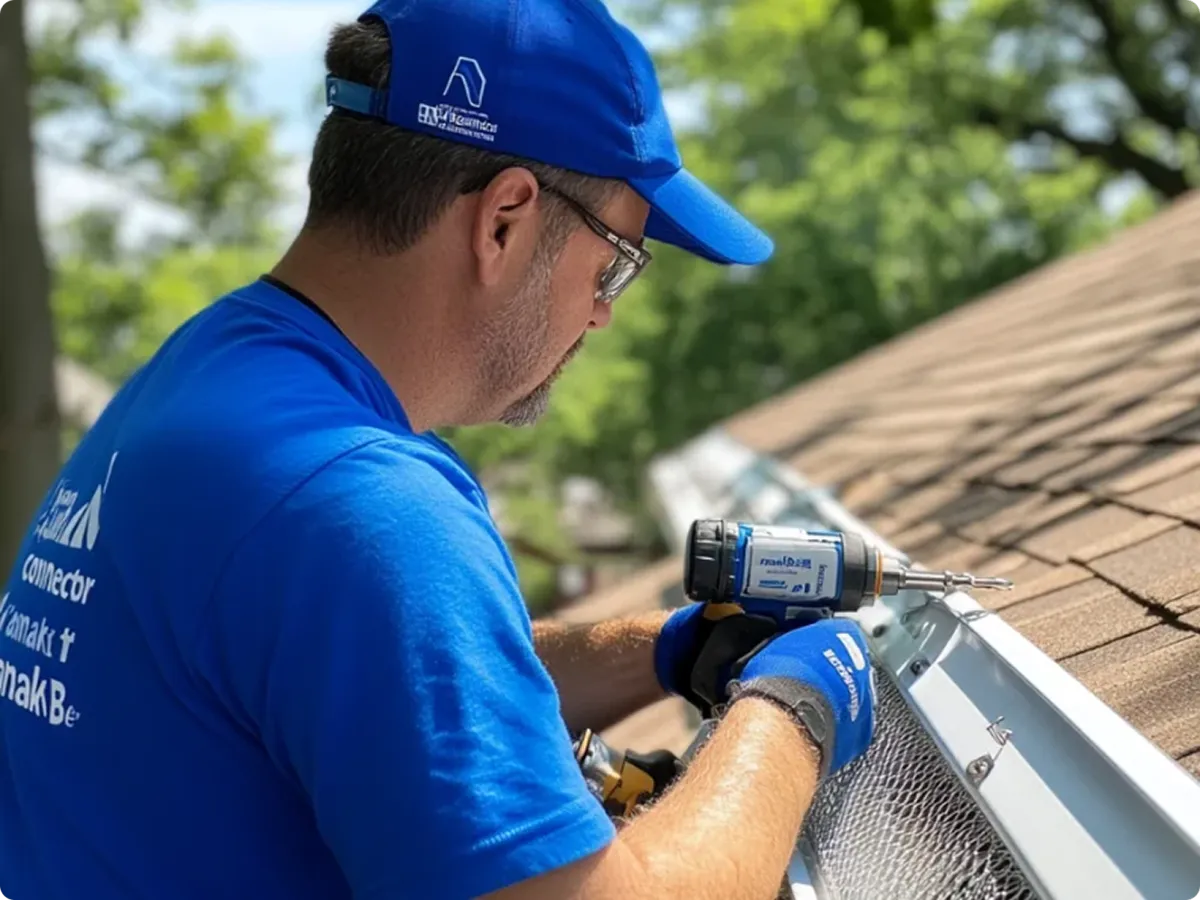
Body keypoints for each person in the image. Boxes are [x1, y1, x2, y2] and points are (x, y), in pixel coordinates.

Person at [0, 0, 877, 898]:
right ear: (504, 219)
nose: (606, 309)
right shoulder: (359, 504)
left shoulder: (207, 381)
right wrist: (793, 709)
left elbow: (392, 680)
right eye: (615, 260)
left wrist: (663, 651)